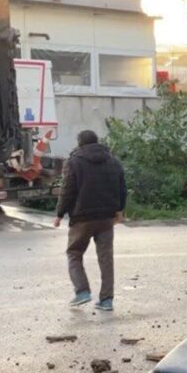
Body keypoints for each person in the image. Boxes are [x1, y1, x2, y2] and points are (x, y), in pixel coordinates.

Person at [54, 130, 127, 311]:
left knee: (74, 253)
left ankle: (82, 291)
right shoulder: (113, 161)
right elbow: (122, 188)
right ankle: (106, 300)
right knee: (106, 258)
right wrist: (119, 210)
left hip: (82, 218)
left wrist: (59, 213)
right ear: (97, 141)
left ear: (79, 143)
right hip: (106, 218)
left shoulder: (74, 162)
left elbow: (67, 190)